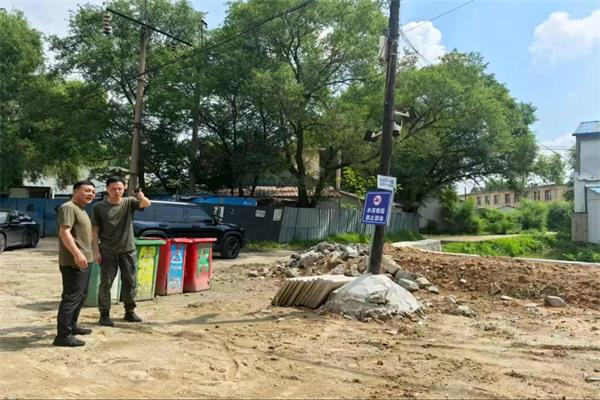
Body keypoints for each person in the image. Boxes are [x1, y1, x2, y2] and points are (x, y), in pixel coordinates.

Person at [92, 177, 151, 326]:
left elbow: (146, 204)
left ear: (124, 188)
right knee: (106, 283)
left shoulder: (129, 202)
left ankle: (129, 311)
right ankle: (104, 314)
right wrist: (95, 251)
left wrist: (140, 195)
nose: (117, 191)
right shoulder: (99, 207)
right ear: (107, 189)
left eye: (119, 188)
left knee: (130, 281)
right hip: (107, 251)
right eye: (113, 188)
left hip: (128, 250)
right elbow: (95, 230)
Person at [54, 180, 96, 347]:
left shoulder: (81, 209)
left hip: (85, 260)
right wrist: (77, 254)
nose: (91, 194)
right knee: (71, 298)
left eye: (93, 192)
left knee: (81, 295)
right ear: (75, 191)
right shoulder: (68, 207)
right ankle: (63, 336)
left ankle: (72, 325)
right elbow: (64, 232)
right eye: (87, 191)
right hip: (73, 262)